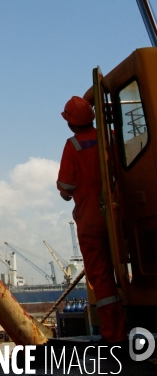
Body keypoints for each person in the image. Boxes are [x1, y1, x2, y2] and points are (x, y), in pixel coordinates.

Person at [57, 95, 127, 344]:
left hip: (90, 218)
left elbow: (65, 185)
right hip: (119, 212)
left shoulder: (73, 145)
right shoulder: (109, 136)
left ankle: (114, 335)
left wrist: (68, 193)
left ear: (70, 122)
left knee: (102, 277)